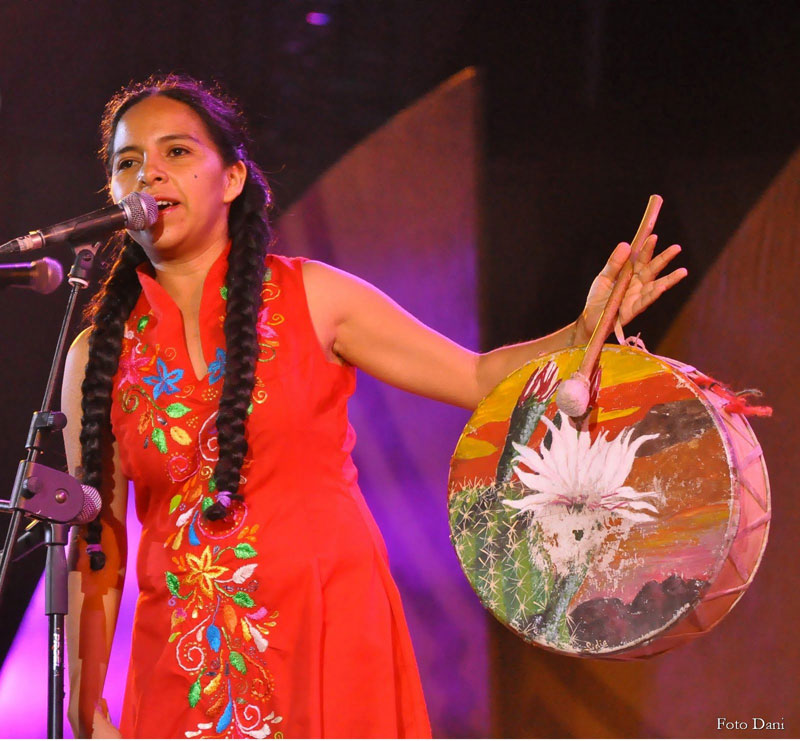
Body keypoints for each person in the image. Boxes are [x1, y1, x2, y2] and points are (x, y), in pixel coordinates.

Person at [62, 73, 686, 739]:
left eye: (177, 152)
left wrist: (584, 330)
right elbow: (96, 542)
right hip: (187, 658)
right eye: (128, 162)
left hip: (332, 632)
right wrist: (82, 700)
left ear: (233, 178)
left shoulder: (314, 297)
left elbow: (476, 376)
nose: (150, 174)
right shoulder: (96, 355)